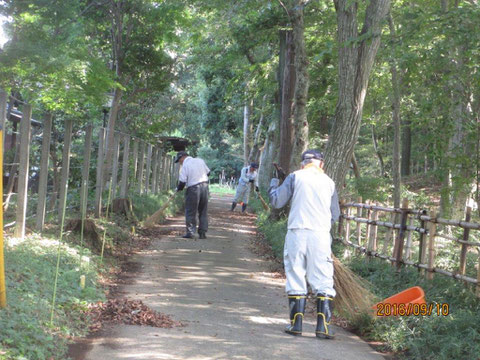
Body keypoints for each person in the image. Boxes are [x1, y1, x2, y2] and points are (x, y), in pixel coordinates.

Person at [268, 150, 340, 339]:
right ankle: (323, 327)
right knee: (323, 279)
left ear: (302, 164)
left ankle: (296, 325)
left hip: (297, 232)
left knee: (296, 275)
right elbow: (335, 214)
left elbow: (276, 201)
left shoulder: (295, 177)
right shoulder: (330, 183)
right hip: (321, 235)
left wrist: (275, 182)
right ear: (321, 164)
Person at [175, 151, 210, 239]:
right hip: (205, 187)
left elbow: (182, 182)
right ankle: (202, 233)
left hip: (193, 188)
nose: (179, 162)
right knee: (203, 210)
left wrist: (178, 189)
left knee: (190, 211)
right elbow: (208, 172)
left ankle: (190, 232)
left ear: (182, 157)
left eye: (179, 160)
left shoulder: (185, 165)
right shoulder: (200, 160)